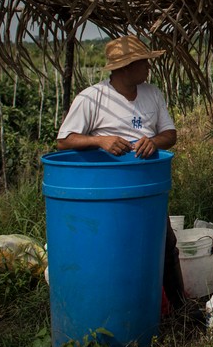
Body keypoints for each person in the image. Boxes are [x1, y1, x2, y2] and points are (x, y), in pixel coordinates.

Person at [57, 35, 185, 307]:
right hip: (109, 187)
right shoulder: (93, 98)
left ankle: (179, 309)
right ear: (126, 67)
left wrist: (153, 142)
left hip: (148, 183)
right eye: (144, 63)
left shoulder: (152, 94)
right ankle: (120, 305)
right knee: (117, 248)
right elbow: (64, 140)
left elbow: (170, 134)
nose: (149, 68)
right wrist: (99, 140)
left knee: (163, 244)